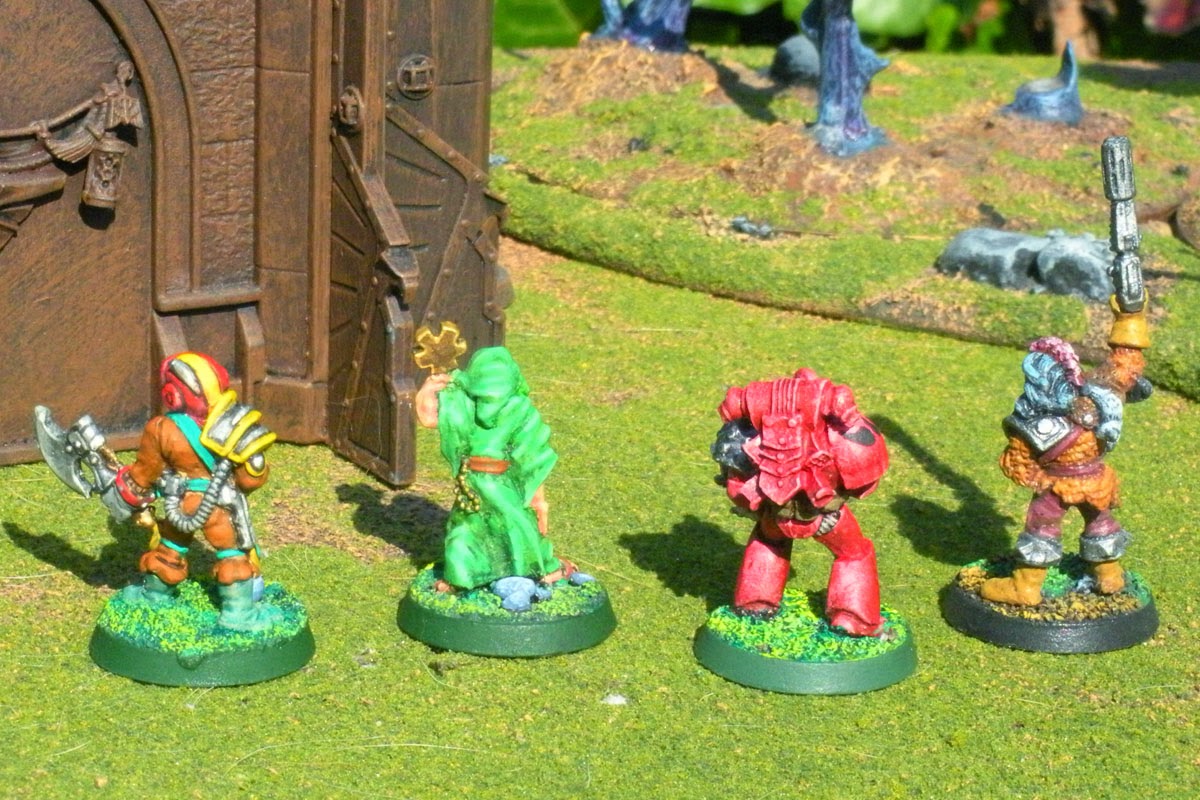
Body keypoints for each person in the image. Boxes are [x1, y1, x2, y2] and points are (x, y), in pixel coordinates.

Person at [982, 298, 1150, 606]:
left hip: (1059, 483)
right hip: (1095, 480)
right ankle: (1110, 575)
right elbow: (1126, 364)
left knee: (1041, 526)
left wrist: (1129, 316)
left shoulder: (1068, 406)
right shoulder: (1099, 396)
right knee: (1100, 520)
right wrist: (1130, 319)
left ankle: (1025, 587)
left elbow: (1017, 460)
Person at [713, 368, 889, 636]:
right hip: (826, 517)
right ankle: (853, 616)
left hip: (775, 516)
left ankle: (755, 602)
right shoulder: (837, 434)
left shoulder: (753, 432)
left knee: (768, 541)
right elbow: (865, 478)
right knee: (854, 553)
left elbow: (732, 476)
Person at [112, 352, 279, 630]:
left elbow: (143, 474)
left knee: (170, 547)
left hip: (180, 503)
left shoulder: (161, 428)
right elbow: (250, 481)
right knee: (232, 554)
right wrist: (255, 465)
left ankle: (155, 596)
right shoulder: (235, 426)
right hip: (219, 507)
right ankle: (239, 614)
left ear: (172, 393)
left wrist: (129, 491)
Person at [415, 347, 572, 592]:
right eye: (484, 390)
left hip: (502, 485)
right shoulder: (466, 403)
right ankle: (462, 578)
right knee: (466, 532)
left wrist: (539, 501)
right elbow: (429, 418)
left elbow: (532, 459)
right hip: (471, 484)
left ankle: (540, 572)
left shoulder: (520, 410)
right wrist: (429, 387)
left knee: (516, 528)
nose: (490, 399)